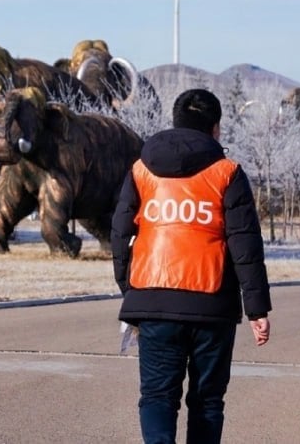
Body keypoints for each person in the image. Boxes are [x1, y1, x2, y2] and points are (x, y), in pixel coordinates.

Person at [111, 88, 271, 444]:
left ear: (176, 121)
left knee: (157, 397)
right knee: (207, 401)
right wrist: (257, 309)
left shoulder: (141, 170)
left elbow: (121, 235)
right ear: (215, 128)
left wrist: (132, 291)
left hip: (153, 300)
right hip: (211, 306)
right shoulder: (227, 173)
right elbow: (245, 243)